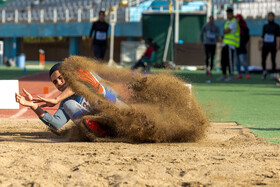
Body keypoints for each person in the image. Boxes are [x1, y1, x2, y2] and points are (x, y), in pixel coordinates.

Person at [15, 63, 125, 137]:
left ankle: (104, 95)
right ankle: (91, 127)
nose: (59, 83)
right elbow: (56, 124)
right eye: (55, 82)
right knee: (68, 104)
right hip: (104, 126)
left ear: (68, 74)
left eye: (60, 78)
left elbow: (76, 84)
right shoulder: (65, 100)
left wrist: (56, 99)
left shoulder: (85, 76)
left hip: (120, 111)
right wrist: (33, 106)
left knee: (93, 92)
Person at [217, 8, 240, 82]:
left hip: (231, 45)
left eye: (229, 14)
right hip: (225, 44)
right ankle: (224, 75)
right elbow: (224, 32)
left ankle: (231, 75)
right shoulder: (227, 22)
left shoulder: (234, 22)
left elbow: (226, 31)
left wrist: (225, 31)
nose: (228, 15)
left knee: (229, 61)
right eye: (227, 14)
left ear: (232, 14)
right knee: (223, 61)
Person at [259, 12, 280, 80]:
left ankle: (272, 73)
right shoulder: (265, 26)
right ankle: (264, 71)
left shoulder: (276, 26)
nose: (270, 17)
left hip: (273, 45)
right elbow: (263, 36)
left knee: (273, 59)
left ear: (274, 17)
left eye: (272, 16)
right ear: (267, 17)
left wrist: (278, 44)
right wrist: (261, 44)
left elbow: (278, 36)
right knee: (263, 59)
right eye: (269, 16)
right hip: (265, 45)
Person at [235, 14, 250, 79]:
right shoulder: (234, 26)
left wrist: (243, 43)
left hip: (242, 47)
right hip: (236, 46)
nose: (237, 20)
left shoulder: (244, 27)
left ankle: (247, 73)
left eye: (238, 18)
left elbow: (247, 37)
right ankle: (239, 74)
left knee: (243, 61)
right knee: (237, 62)